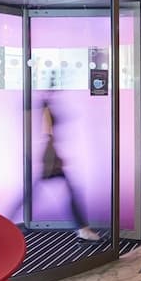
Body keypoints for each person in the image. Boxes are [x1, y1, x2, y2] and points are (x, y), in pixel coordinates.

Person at [41, 100, 101, 241]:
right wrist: (52, 158)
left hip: (48, 157)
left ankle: (83, 229)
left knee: (71, 191)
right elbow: (47, 131)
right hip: (46, 158)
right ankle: (83, 230)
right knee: (26, 196)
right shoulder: (41, 102)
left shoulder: (46, 102)